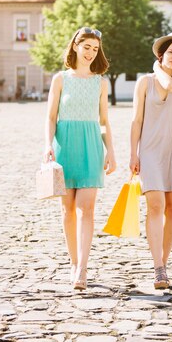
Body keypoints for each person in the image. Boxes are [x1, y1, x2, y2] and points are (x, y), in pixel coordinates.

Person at [44, 27, 116, 290]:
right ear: (75, 46)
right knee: (67, 210)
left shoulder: (101, 82)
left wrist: (111, 150)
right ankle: (73, 263)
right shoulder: (61, 79)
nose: (90, 53)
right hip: (64, 146)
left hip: (91, 146)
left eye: (95, 49)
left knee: (87, 208)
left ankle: (83, 268)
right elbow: (51, 117)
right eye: (87, 47)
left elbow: (105, 121)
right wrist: (47, 145)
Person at [130, 30, 172, 289]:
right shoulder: (144, 82)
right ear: (161, 54)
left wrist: (159, 67)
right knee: (155, 205)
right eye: (170, 52)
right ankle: (158, 266)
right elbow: (136, 120)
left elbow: (168, 85)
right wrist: (132, 153)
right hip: (150, 150)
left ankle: (164, 265)